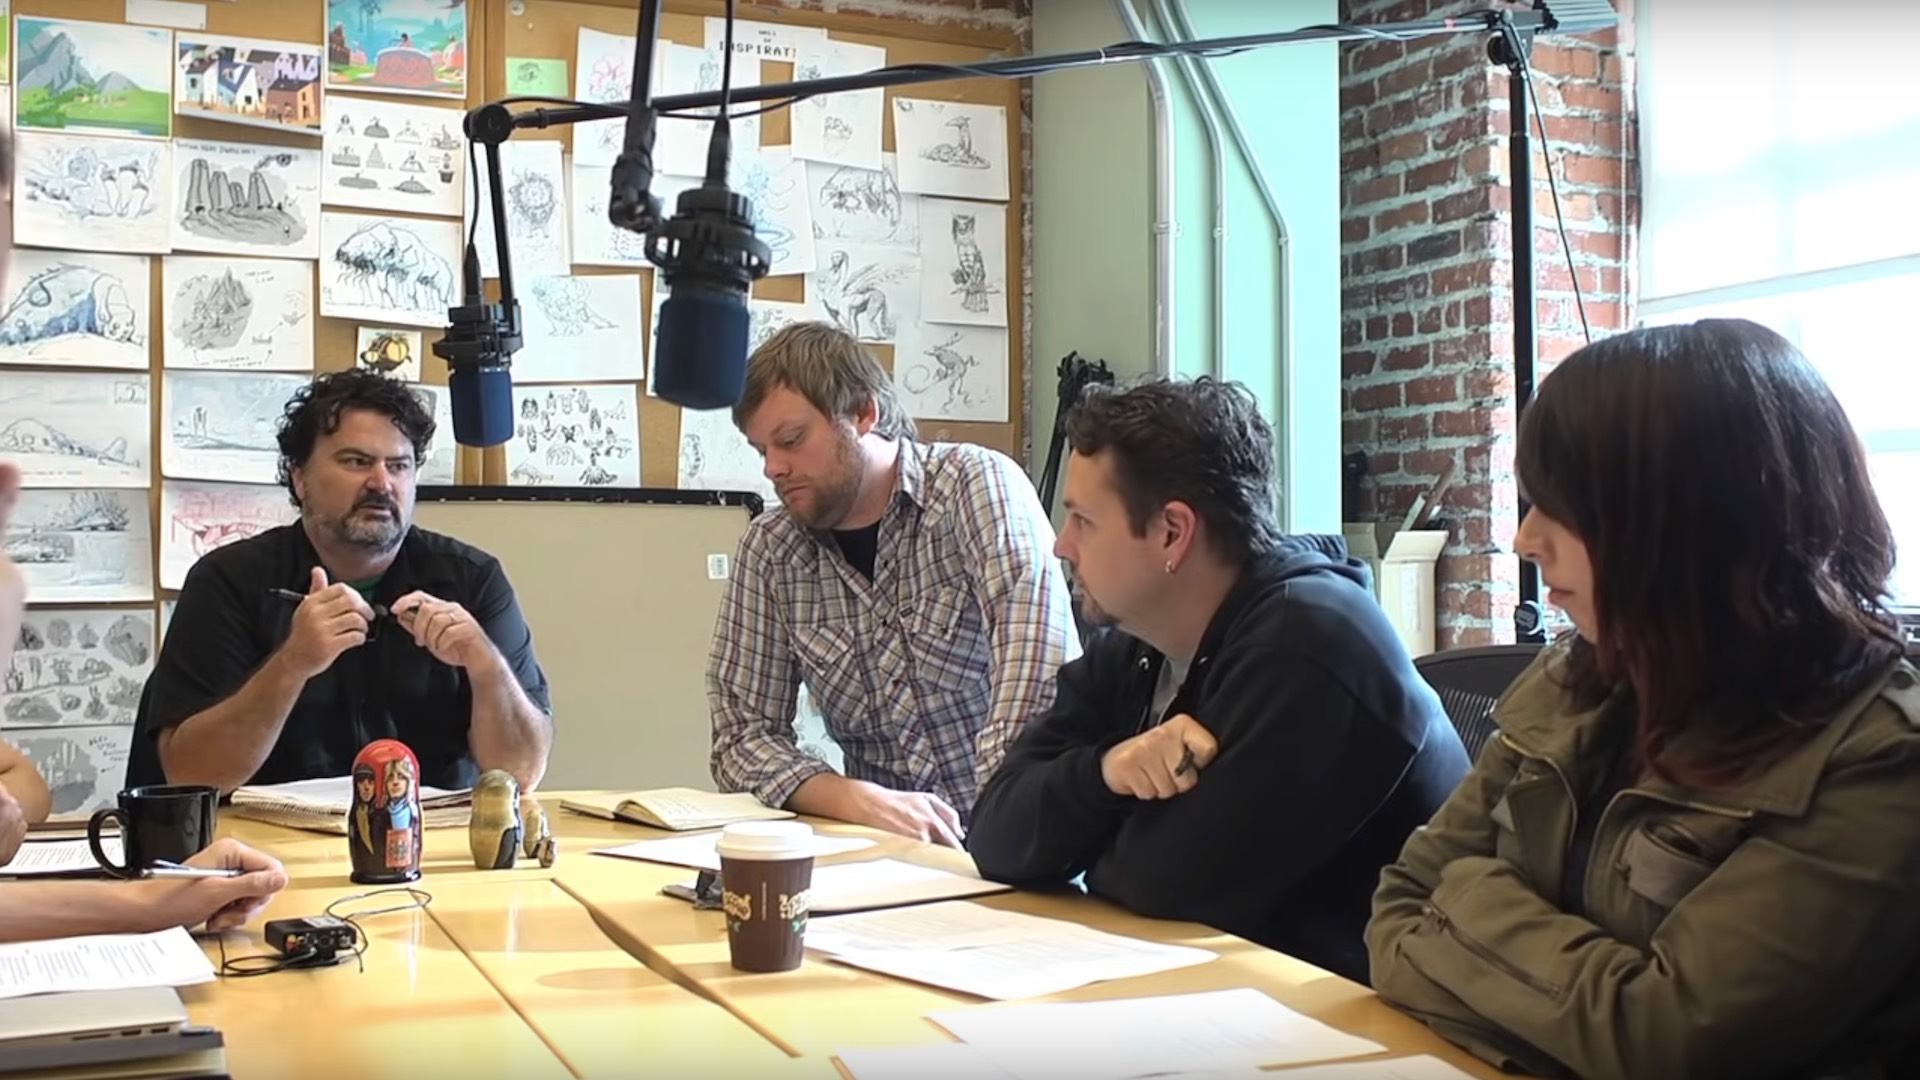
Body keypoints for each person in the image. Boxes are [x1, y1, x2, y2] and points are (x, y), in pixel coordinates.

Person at [1366, 319, 1920, 1079]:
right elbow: (1397, 909)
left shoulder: (1878, 760)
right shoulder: (1579, 675)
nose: (1525, 540)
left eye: (1563, 507)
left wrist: (1462, 902)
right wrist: (1570, 1014)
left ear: (1692, 524)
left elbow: (1663, 1040)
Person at [966, 376, 1469, 985]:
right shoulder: (1139, 641)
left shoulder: (1312, 645)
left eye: (1083, 521)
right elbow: (995, 834)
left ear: (1172, 533)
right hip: (1241, 994)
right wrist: (1109, 770)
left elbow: (1159, 888)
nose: (1061, 546)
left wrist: (1084, 829)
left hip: (1380, 1016)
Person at [707, 322, 1080, 846]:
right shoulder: (772, 550)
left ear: (864, 413)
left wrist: (994, 822)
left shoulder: (975, 486)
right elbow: (740, 739)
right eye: (760, 450)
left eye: (790, 441)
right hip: (886, 851)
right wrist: (855, 798)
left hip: (1025, 835)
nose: (773, 468)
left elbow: (1040, 674)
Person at [135, 369, 553, 793]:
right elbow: (190, 775)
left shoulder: (472, 580)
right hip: (266, 833)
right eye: (356, 462)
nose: (382, 483)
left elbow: (521, 773)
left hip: (427, 830)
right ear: (300, 478)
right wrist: (293, 662)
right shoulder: (229, 581)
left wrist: (484, 664)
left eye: (399, 466)